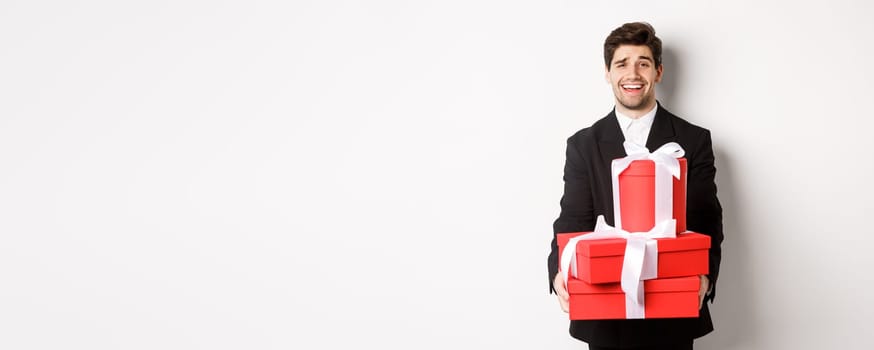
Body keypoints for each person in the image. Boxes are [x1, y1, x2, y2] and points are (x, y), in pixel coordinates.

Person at [547, 22, 724, 350]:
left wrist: (705, 275)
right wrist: (560, 269)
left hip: (673, 313)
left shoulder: (694, 140)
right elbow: (572, 219)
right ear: (607, 72)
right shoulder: (583, 145)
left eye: (643, 63)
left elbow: (706, 220)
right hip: (605, 312)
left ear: (658, 72)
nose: (633, 73)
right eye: (622, 64)